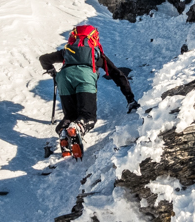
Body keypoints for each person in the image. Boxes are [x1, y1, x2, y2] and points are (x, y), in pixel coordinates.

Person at [39, 24, 138, 158]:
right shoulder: (96, 54)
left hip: (64, 78)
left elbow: (44, 59)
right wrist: (130, 98)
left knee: (70, 116)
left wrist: (52, 72)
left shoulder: (67, 51)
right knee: (88, 117)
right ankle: (77, 128)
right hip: (85, 77)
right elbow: (117, 75)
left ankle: (63, 131)